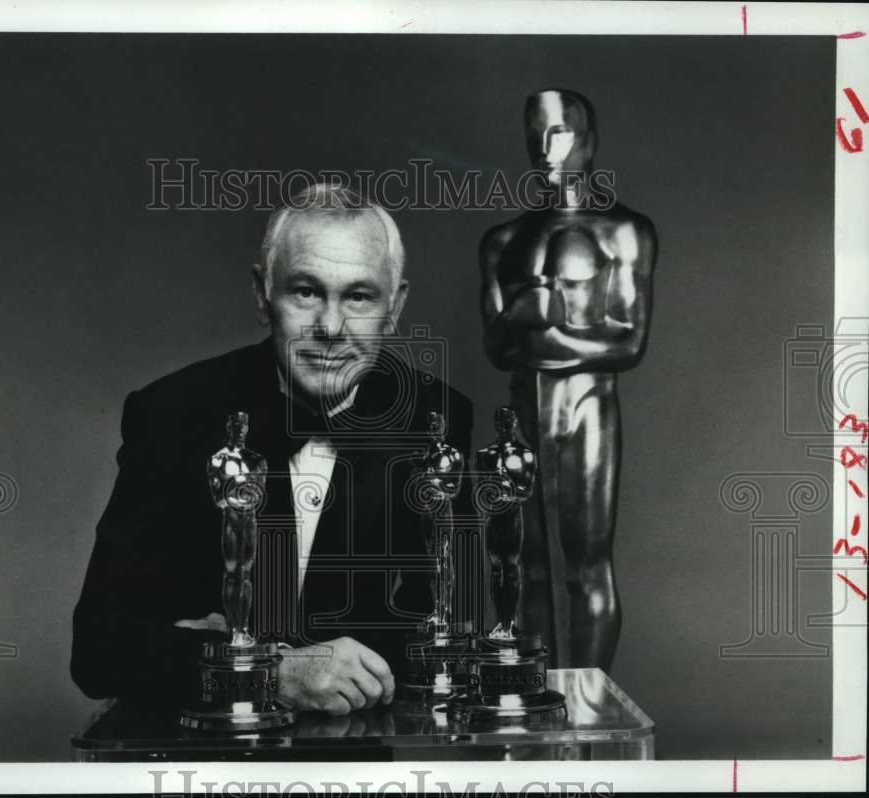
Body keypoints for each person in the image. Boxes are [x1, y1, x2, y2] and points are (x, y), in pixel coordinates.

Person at [72, 184, 473, 716]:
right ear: (263, 295)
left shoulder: (434, 419)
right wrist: (271, 671)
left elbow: (446, 637)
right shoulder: (174, 414)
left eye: (359, 297)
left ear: (394, 306)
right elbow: (100, 651)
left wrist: (204, 644)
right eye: (306, 292)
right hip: (198, 753)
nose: (330, 328)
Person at [479, 89, 657, 670]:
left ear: (589, 140)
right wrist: (525, 322)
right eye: (534, 136)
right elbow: (496, 347)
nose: (543, 150)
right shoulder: (504, 241)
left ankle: (590, 697)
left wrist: (541, 328)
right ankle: (537, 696)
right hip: (524, 411)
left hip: (587, 406)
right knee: (524, 563)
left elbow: (628, 342)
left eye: (558, 133)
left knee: (587, 562)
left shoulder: (622, 231)